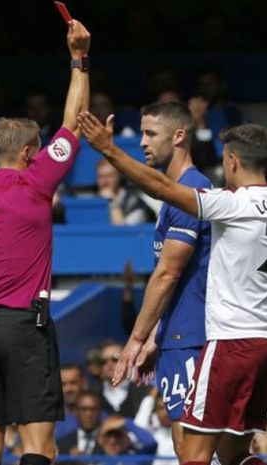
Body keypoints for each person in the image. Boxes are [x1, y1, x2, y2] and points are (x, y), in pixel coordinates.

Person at [78, 113, 267, 465]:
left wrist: (109, 151)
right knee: (236, 453)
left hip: (231, 344)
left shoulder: (230, 204)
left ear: (232, 161)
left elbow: (162, 189)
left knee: (192, 454)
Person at [0, 17, 91, 465]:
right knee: (39, 445)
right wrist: (78, 58)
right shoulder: (36, 182)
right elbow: (74, 121)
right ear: (31, 154)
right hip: (25, 328)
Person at [110, 100, 212, 460]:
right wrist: (157, 336)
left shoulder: (192, 191)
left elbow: (168, 274)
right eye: (141, 133)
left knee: (194, 450)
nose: (142, 142)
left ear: (179, 135)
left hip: (192, 337)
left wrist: (135, 341)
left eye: (151, 133)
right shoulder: (173, 195)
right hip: (175, 337)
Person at [98, 340, 149, 418]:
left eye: (115, 359)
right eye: (103, 361)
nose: (109, 364)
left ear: (128, 360)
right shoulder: (93, 395)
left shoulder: (146, 392)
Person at [96, 159, 155, 225]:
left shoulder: (135, 203)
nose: (105, 181)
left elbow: (123, 231)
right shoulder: (91, 198)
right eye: (101, 176)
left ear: (119, 177)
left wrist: (111, 201)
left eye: (110, 176)